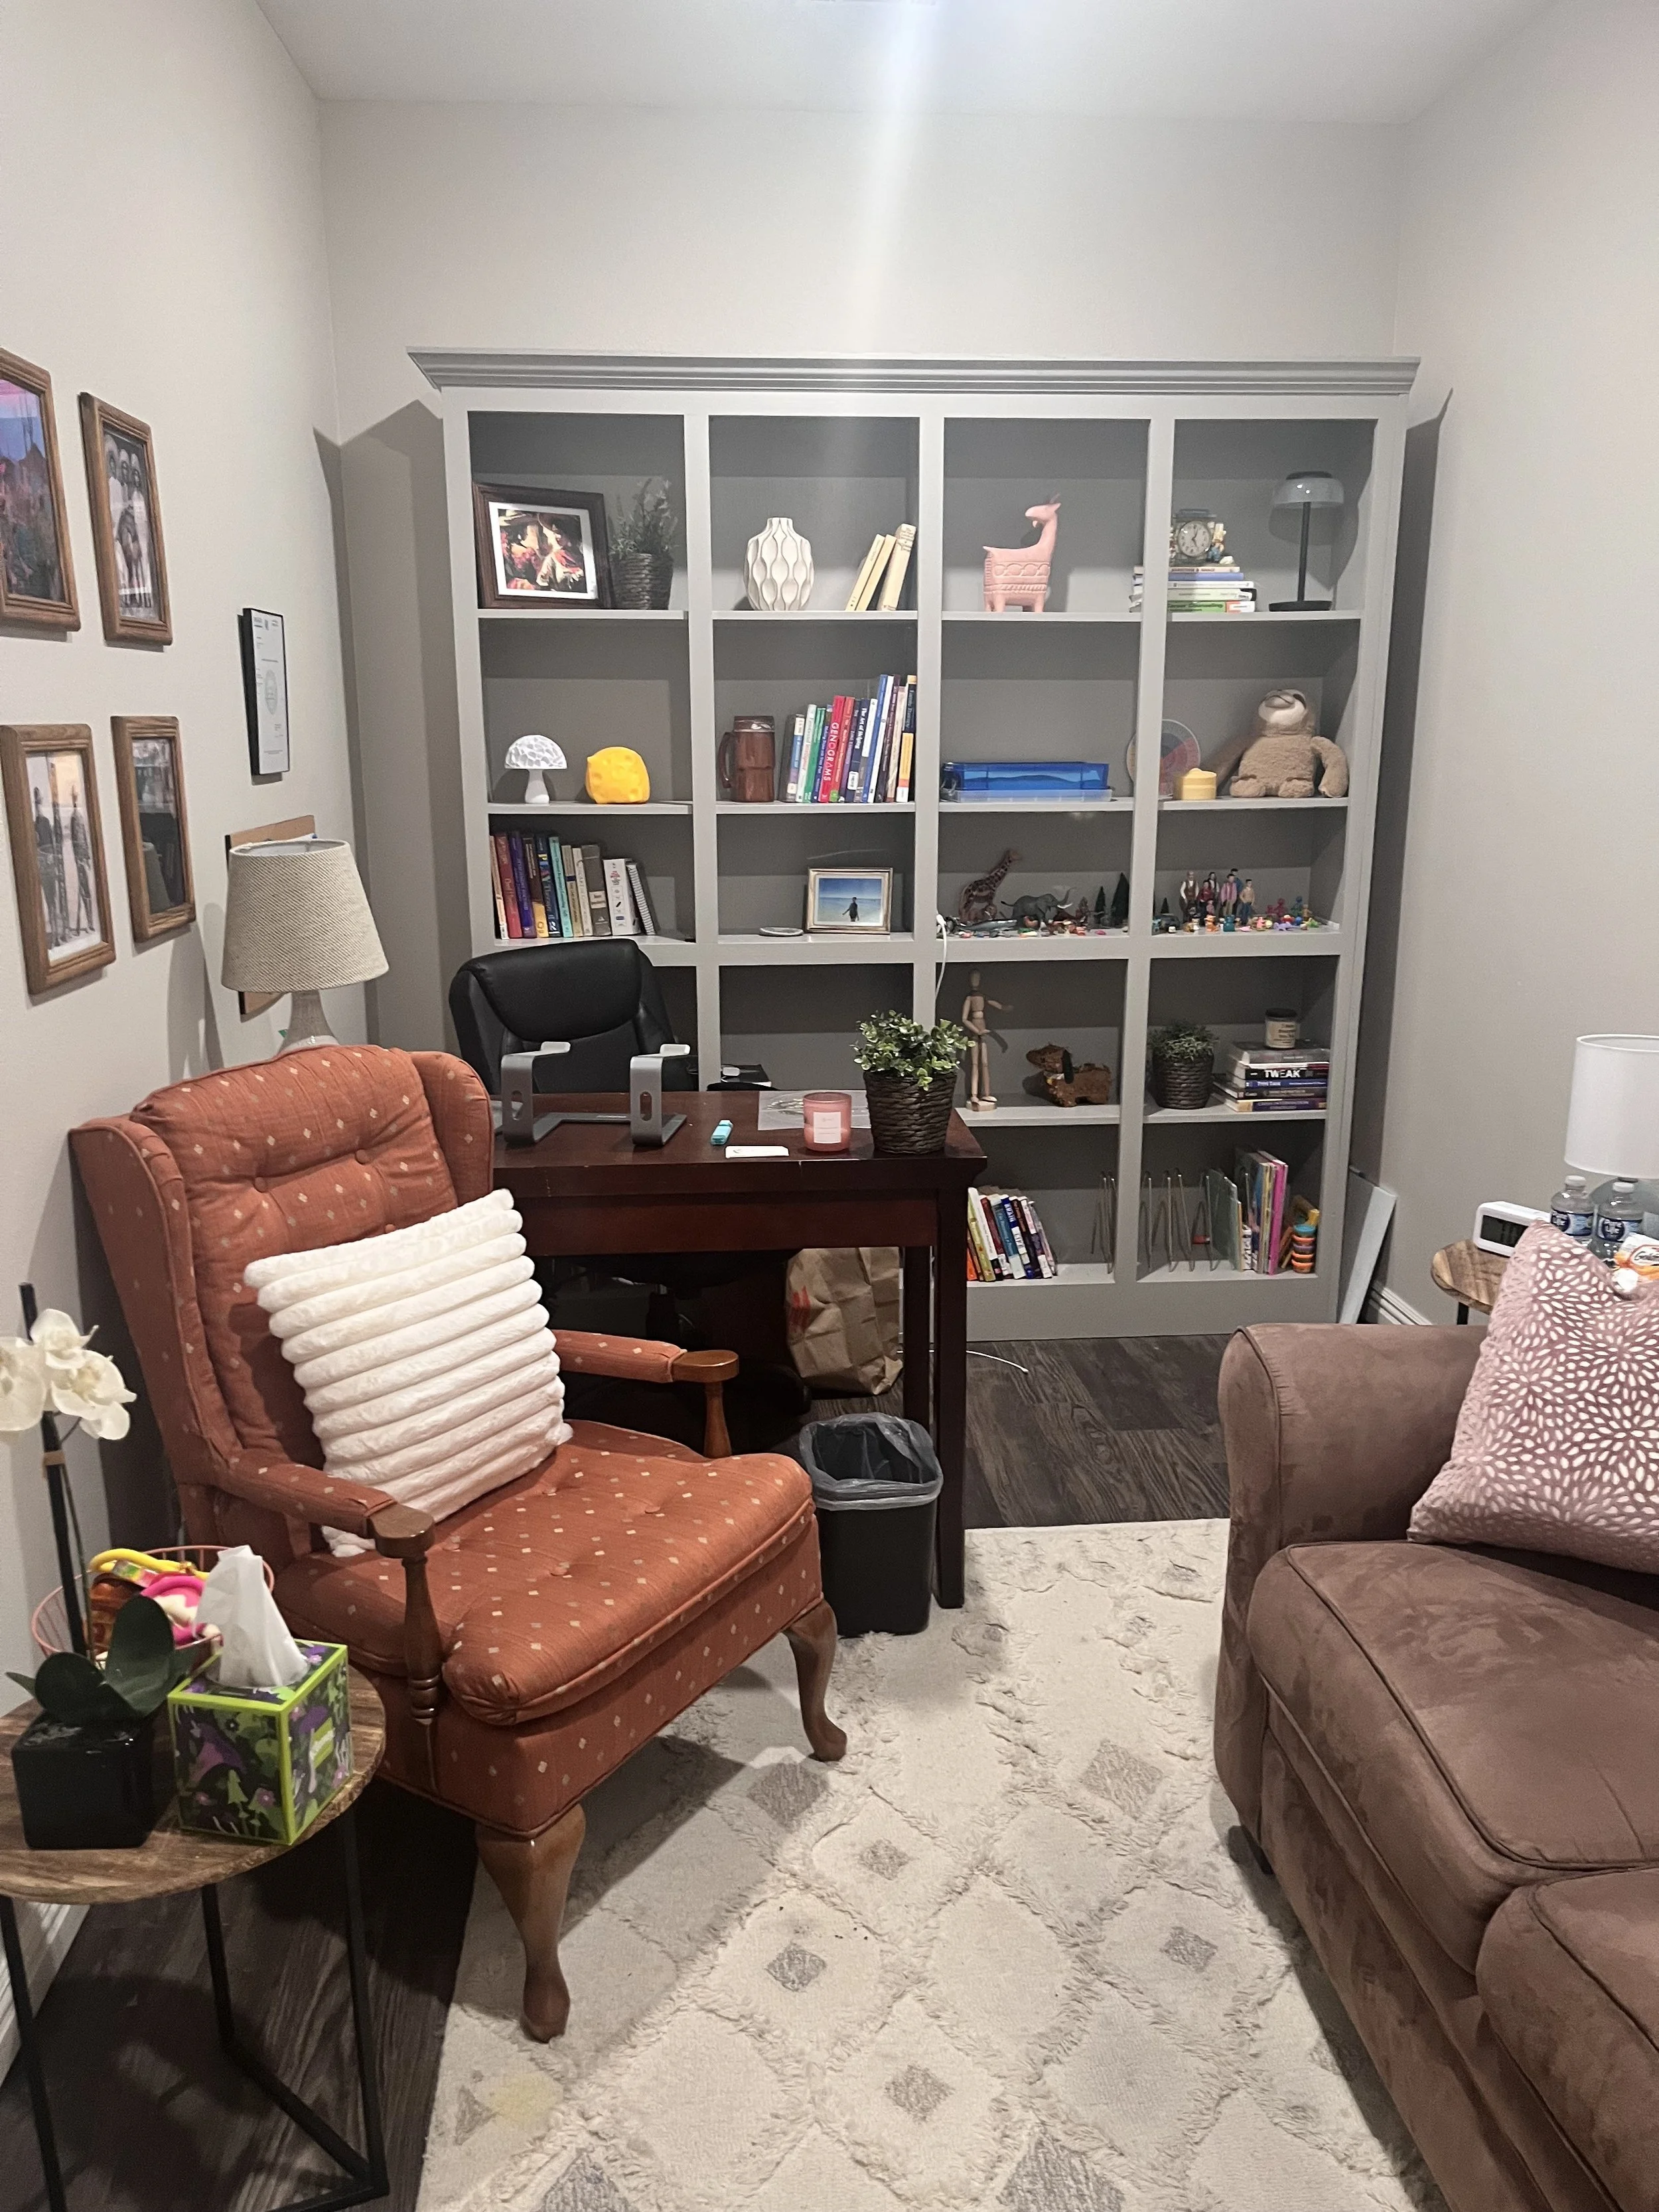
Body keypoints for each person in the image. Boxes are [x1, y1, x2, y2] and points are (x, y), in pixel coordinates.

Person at [961, 969, 1009, 1111]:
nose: (975, 982)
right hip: (976, 1032)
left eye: (977, 979)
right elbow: (964, 1019)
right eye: (973, 979)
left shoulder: (982, 996)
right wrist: (977, 1031)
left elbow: (996, 1004)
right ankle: (974, 1095)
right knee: (975, 1064)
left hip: (983, 1031)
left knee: (985, 1064)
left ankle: (987, 1094)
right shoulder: (969, 998)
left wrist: (1005, 1008)